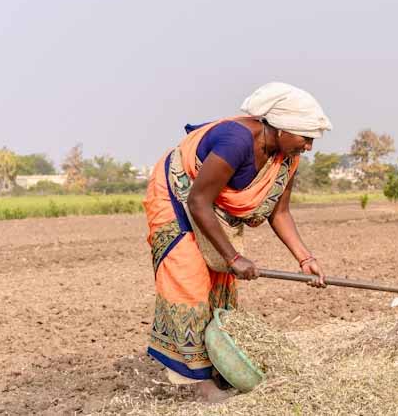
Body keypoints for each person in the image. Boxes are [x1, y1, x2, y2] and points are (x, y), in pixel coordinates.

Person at [142, 82, 332, 401]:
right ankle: (197, 381)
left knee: (221, 285)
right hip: (179, 196)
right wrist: (233, 258)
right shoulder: (236, 140)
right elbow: (199, 200)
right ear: (283, 129)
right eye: (306, 137)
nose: (309, 146)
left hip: (209, 205)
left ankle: (220, 365)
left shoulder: (286, 157)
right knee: (190, 279)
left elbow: (279, 212)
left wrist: (305, 258)